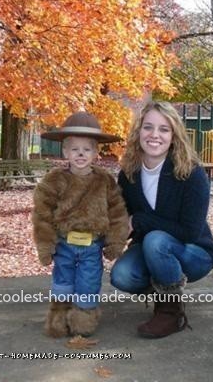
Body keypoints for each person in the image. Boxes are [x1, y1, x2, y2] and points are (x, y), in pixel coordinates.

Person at [111, 101, 213, 339]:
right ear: (138, 132)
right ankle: (163, 277)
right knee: (121, 275)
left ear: (174, 136)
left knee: (155, 240)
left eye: (164, 129)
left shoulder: (191, 173)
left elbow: (189, 232)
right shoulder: (129, 174)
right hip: (153, 248)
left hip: (195, 253)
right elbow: (124, 220)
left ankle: (171, 312)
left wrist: (140, 220)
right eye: (148, 127)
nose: (154, 135)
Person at [32, 111, 129, 337]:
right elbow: (42, 215)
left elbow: (117, 213)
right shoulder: (53, 180)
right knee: (62, 281)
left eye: (86, 149)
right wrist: (46, 245)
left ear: (96, 152)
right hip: (64, 244)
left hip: (92, 245)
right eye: (74, 149)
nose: (80, 154)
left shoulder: (105, 181)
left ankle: (83, 319)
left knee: (88, 281)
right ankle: (58, 318)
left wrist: (115, 242)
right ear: (65, 151)